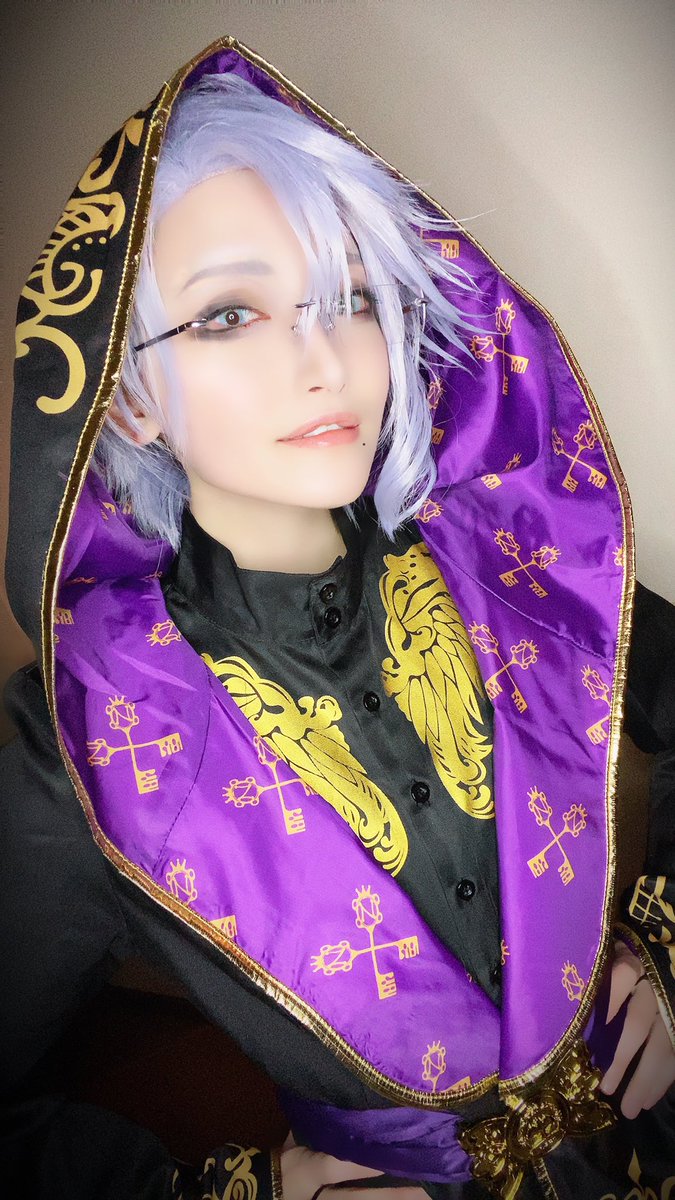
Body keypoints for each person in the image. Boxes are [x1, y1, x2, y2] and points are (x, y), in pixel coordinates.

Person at [2, 35, 674, 1200]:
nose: (323, 361)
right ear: (127, 393)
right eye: (228, 315)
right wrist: (235, 1191)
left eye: (351, 298)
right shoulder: (79, 749)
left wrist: (662, 942)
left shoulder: (508, 554)